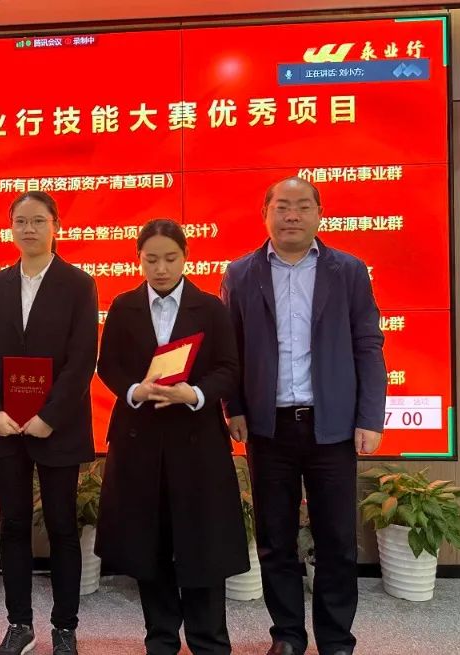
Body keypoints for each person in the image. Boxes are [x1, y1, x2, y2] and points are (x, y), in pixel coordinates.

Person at [220, 176, 386, 655]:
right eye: (282, 206)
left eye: (302, 206)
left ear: (319, 213)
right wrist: (234, 407)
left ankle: (336, 640)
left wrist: (370, 416)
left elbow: (368, 344)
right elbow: (231, 350)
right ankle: (288, 635)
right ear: (265, 214)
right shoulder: (241, 273)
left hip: (331, 425)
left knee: (336, 540)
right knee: (275, 540)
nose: (291, 215)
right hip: (268, 427)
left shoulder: (348, 270)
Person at [96, 219, 247, 655]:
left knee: (203, 547)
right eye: (151, 260)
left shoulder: (210, 307)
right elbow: (109, 366)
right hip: (139, 441)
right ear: (138, 260)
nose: (160, 269)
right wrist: (134, 391)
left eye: (169, 258)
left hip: (196, 441)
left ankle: (209, 642)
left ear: (185, 258)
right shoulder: (124, 306)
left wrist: (194, 393)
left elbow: (229, 368)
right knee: (151, 546)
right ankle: (160, 640)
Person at [0, 191, 99, 655]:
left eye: (38, 220)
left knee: (62, 527)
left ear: (55, 226)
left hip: (57, 426)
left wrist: (49, 416)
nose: (28, 229)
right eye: (20, 221)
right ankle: (19, 624)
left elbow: (82, 360)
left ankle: (65, 627)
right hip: (6, 426)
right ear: (11, 228)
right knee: (14, 525)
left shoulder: (79, 284)